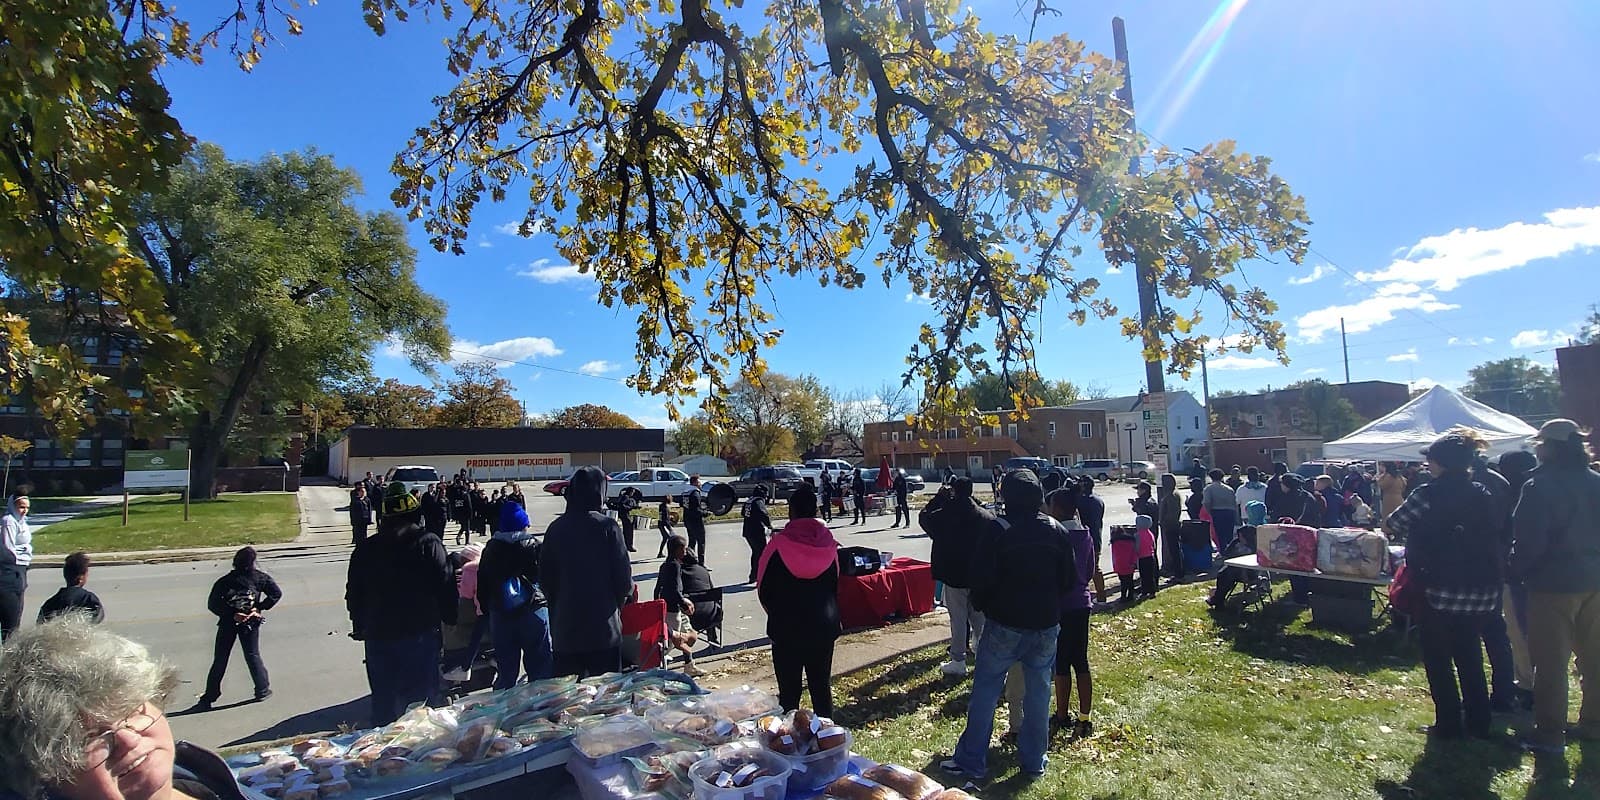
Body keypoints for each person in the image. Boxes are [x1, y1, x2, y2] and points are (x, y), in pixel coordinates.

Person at [0, 615, 255, 800]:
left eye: (130, 710)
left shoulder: (202, 775)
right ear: (40, 774)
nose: (128, 739)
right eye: (89, 738)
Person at [942, 469, 1073, 783]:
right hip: (1044, 625)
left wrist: (986, 605)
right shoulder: (1056, 530)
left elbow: (980, 577)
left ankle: (972, 760)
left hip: (1005, 623)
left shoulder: (998, 529)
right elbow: (1068, 580)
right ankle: (1033, 761)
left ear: (1007, 496)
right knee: (1039, 695)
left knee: (986, 692)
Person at [1384, 432, 1503, 740]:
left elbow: (1394, 523)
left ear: (1440, 463)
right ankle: (1479, 722)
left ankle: (1449, 723)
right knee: (1470, 655)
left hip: (1438, 588)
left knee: (1438, 660)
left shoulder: (1428, 493)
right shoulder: (1482, 492)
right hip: (1480, 589)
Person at [1510, 419, 1600, 754]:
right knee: (1594, 658)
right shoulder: (1597, 482)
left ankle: (1549, 734)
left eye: (1540, 444)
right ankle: (1593, 724)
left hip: (1554, 584)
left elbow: (1530, 541)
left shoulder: (1540, 485)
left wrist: (1515, 571)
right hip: (1595, 580)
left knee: (1549, 663)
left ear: (1550, 447)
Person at [346, 481, 457, 726]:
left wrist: (359, 624)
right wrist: (450, 618)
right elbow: (446, 583)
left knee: (383, 704)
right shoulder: (429, 543)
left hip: (378, 636)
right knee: (420, 706)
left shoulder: (365, 548)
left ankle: (383, 756)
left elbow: (353, 593)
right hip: (419, 634)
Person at [542, 466, 634, 678]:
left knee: (569, 702)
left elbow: (546, 580)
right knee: (606, 699)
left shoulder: (555, 528)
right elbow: (624, 580)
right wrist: (617, 604)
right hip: (603, 628)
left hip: (566, 629)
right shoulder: (608, 527)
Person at [757, 486, 840, 716]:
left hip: (785, 627)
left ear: (791, 512)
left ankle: (787, 746)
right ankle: (827, 741)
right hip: (823, 626)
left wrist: (776, 613)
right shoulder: (830, 545)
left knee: (789, 694)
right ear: (815, 510)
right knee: (821, 687)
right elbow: (835, 585)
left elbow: (763, 587)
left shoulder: (777, 545)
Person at [920, 477, 995, 676]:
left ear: (953, 490)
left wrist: (938, 498)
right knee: (980, 618)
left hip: (953, 574)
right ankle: (985, 656)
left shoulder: (945, 514)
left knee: (958, 619)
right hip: (977, 575)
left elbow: (924, 517)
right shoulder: (984, 517)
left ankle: (958, 660)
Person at [478, 501, 552, 688]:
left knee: (506, 670)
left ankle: (506, 712)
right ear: (524, 523)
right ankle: (541, 709)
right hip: (533, 610)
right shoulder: (535, 546)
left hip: (501, 613)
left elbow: (483, 586)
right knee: (540, 667)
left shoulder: (491, 549)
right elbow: (549, 579)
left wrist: (489, 611)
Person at [197, 547, 281, 710]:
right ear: (253, 562)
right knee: (252, 655)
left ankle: (210, 696)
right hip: (250, 622)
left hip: (228, 623)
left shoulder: (225, 581)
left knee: (220, 658)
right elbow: (276, 594)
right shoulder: (260, 578)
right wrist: (259, 608)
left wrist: (231, 614)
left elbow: (213, 604)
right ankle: (262, 689)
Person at [1044, 486, 1095, 739]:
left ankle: (1062, 714)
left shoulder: (1056, 534)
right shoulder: (1085, 534)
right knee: (1081, 661)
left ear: (1059, 509)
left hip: (1061, 605)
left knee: (1061, 663)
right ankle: (1085, 717)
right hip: (1081, 603)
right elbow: (1089, 569)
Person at [655, 536, 706, 676]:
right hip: (673, 609)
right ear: (677, 550)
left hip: (670, 607)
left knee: (689, 634)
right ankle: (653, 665)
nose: (685, 551)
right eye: (683, 549)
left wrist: (657, 604)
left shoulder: (664, 565)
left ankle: (689, 665)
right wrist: (684, 601)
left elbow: (657, 588)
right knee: (671, 642)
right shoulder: (675, 566)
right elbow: (675, 590)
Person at [440, 543, 487, 682]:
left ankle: (465, 667)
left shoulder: (470, 570)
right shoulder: (490, 567)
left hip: (476, 615)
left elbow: (465, 597)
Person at [38, 551, 105, 624]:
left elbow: (40, 622)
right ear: (81, 578)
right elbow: (99, 616)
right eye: (87, 574)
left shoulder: (51, 602)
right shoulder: (88, 598)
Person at [0, 494, 32, 641]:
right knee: (11, 623)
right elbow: (8, 547)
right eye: (21, 507)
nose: (24, 510)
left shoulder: (23, 522)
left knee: (17, 614)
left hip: (22, 567)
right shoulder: (9, 521)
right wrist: (15, 563)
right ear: (13, 506)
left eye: (27, 507)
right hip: (12, 569)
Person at [680, 549, 723, 645]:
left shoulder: (680, 573)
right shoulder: (703, 570)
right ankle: (713, 638)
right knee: (709, 602)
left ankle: (683, 647)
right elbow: (712, 590)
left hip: (691, 619)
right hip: (711, 616)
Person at [742, 485, 773, 583]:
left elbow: (743, 513)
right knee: (762, 554)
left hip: (748, 531)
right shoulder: (758, 501)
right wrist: (769, 525)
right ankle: (759, 575)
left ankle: (753, 575)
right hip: (756, 531)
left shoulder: (750, 500)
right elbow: (763, 513)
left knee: (756, 553)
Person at [1202, 469, 1239, 553]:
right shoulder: (1229, 489)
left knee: (1220, 534)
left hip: (1217, 512)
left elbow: (1207, 502)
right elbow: (1234, 503)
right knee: (1229, 534)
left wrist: (1209, 513)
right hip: (1230, 512)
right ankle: (1231, 551)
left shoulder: (1208, 488)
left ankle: (1223, 552)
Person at [1157, 475, 1184, 581]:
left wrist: (1163, 522)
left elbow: (1171, 513)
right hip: (1173, 524)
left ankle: (1178, 573)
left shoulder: (1171, 496)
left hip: (1171, 525)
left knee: (1174, 550)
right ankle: (1178, 572)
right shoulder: (1173, 494)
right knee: (1175, 549)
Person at [681, 475, 708, 559]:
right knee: (701, 542)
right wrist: (705, 513)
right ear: (695, 483)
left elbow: (682, 504)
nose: (700, 484)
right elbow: (696, 510)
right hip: (696, 521)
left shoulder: (686, 492)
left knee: (692, 542)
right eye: (699, 482)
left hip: (687, 520)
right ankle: (701, 563)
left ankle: (689, 560)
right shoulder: (695, 493)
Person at [608, 486, 642, 552]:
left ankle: (628, 545)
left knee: (629, 531)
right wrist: (631, 508)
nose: (633, 493)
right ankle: (628, 545)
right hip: (626, 516)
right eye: (632, 492)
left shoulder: (630, 498)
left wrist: (636, 507)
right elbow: (622, 505)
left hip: (630, 516)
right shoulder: (625, 497)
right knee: (628, 532)